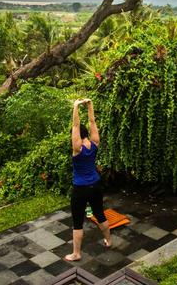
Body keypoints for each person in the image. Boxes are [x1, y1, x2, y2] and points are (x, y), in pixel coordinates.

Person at [64, 98, 112, 262]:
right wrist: (90, 105)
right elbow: (92, 121)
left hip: (80, 189)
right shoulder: (95, 143)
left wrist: (75, 107)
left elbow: (75, 126)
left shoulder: (77, 149)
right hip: (96, 185)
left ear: (78, 135)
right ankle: (109, 240)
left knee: (77, 222)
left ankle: (76, 254)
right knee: (100, 214)